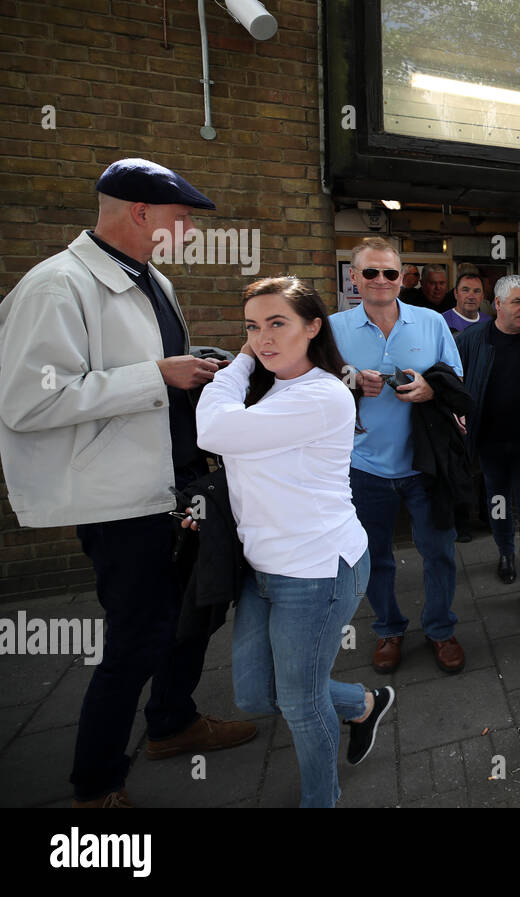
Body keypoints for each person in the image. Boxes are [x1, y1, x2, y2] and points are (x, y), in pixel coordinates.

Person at [0, 159, 257, 808]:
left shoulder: (154, 281)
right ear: (139, 212)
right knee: (137, 635)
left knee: (196, 613)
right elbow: (27, 402)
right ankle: (96, 786)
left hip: (181, 483)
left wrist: (199, 372)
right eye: (181, 219)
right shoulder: (56, 287)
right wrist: (158, 376)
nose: (188, 232)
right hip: (121, 501)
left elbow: (158, 369)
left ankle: (172, 722)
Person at [193, 276, 392, 807]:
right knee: (254, 694)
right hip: (263, 566)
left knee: (301, 702)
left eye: (277, 323)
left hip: (318, 569)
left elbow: (212, 431)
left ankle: (320, 799)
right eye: (252, 329)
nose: (263, 339)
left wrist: (236, 363)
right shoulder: (271, 388)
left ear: (313, 328)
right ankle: (362, 703)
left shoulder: (323, 394)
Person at [330, 238, 467, 676]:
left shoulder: (429, 321)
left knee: (440, 551)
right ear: (354, 277)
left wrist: (430, 389)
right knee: (375, 557)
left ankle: (441, 629)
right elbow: (310, 382)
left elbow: (456, 376)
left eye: (390, 273)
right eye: (370, 272)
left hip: (425, 463)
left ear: (402, 276)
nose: (381, 281)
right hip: (364, 464)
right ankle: (389, 628)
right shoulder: (332, 327)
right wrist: (350, 380)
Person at [457, 276, 520, 614]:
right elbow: (454, 382)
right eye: (517, 302)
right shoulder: (472, 340)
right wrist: (457, 414)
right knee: (498, 502)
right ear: (498, 304)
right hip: (489, 444)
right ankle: (505, 551)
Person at [443, 271, 491, 336]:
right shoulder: (442, 321)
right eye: (465, 290)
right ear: (456, 294)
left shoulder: (488, 322)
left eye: (476, 291)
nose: (471, 297)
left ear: (482, 296)